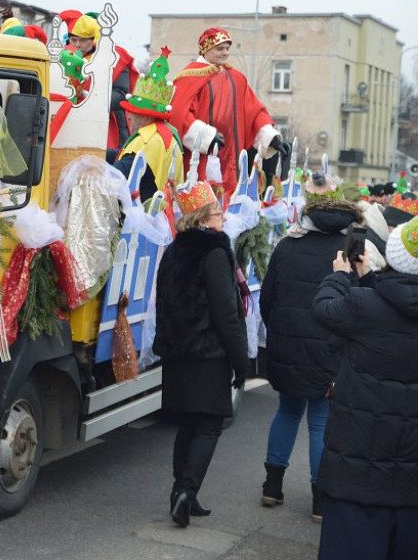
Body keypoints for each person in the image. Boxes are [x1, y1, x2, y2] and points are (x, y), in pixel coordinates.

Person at [310, 215, 418, 560]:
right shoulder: (369, 302)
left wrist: (340, 276)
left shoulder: (363, 307)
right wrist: (369, 277)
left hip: (355, 472)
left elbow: (324, 309)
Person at [258, 170, 358, 522]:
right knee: (320, 423)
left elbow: (266, 301)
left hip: (288, 347)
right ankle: (319, 500)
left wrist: (281, 333)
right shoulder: (348, 250)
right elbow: (354, 305)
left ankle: (272, 486)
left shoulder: (287, 246)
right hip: (329, 351)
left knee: (287, 411)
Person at [153, 177, 249, 527]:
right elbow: (226, 311)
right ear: (205, 217)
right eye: (218, 212)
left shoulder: (174, 250)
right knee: (209, 426)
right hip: (208, 355)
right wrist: (242, 360)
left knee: (189, 425)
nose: (223, 218)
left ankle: (182, 495)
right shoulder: (215, 252)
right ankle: (186, 491)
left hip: (178, 353)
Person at [169, 27, 291, 204]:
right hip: (202, 156)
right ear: (205, 49)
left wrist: (271, 138)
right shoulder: (188, 78)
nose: (225, 53)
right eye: (220, 49)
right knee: (203, 206)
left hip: (232, 155)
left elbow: (253, 110)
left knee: (229, 203)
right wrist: (205, 136)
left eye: (227, 48)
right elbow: (179, 115)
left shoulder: (237, 78)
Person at [112, 47, 185, 199]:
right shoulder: (168, 133)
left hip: (142, 213)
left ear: (145, 116)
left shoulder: (147, 139)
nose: (129, 116)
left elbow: (120, 172)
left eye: (133, 112)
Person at [67, 13, 139, 150]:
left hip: (106, 124)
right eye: (73, 40)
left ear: (94, 38)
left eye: (82, 40)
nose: (77, 45)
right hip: (71, 122)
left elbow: (120, 95)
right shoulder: (66, 56)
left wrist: (88, 97)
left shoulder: (116, 57)